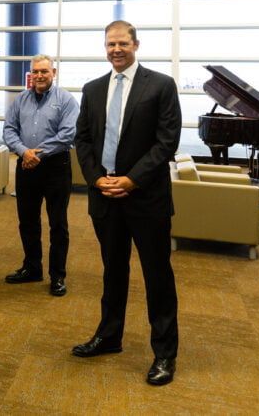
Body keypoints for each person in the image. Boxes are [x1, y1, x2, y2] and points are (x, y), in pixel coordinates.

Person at [72, 21, 181, 386]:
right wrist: (96, 178)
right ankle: (109, 336)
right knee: (112, 271)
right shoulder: (92, 89)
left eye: (122, 43)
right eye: (109, 44)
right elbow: (83, 140)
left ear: (136, 44)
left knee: (157, 276)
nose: (115, 49)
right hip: (105, 197)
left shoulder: (161, 86)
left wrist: (132, 179)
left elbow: (167, 143)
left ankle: (164, 353)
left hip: (145, 198)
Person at [2, 55, 79, 296]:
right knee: (28, 221)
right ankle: (32, 268)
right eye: (35, 71)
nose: (39, 75)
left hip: (56, 167)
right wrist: (25, 152)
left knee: (58, 224)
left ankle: (57, 275)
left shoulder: (65, 99)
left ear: (53, 73)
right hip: (26, 168)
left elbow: (68, 134)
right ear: (31, 74)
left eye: (44, 71)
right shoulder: (21, 99)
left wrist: (37, 154)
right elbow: (9, 129)